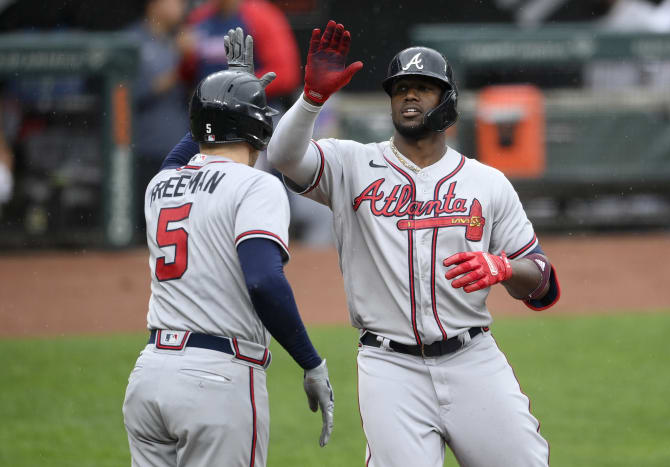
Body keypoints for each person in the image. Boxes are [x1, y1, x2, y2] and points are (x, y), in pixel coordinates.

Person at [266, 21, 561, 466]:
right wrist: (311, 100)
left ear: (449, 104)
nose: (409, 95)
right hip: (390, 367)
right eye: (401, 87)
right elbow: (284, 157)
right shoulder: (352, 163)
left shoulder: (487, 183)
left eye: (424, 87)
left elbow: (543, 285)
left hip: (472, 358)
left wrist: (503, 268)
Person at [122, 29, 334, 467]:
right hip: (217, 380)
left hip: (149, 377)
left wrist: (231, 85)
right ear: (259, 128)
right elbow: (262, 280)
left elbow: (186, 153)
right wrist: (310, 362)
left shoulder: (160, 184)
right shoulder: (257, 185)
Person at [126, 0, 190, 235]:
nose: (181, 7)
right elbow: (129, 93)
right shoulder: (131, 41)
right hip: (143, 148)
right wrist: (180, 66)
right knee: (142, 227)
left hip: (180, 148)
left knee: (177, 226)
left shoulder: (180, 39)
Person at [179, 0, 300, 102]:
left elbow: (286, 75)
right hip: (209, 111)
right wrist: (187, 59)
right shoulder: (199, 18)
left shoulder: (262, 17)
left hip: (255, 111)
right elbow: (188, 76)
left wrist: (236, 90)